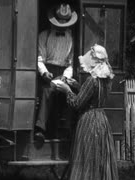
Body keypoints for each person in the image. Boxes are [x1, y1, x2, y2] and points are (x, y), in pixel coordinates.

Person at [55, 44, 118, 180]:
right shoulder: (107, 80)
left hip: (89, 121)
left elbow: (77, 103)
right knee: (99, 156)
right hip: (101, 119)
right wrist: (78, 86)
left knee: (87, 156)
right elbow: (94, 96)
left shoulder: (91, 80)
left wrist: (67, 90)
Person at [35, 3, 79, 141]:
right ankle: (40, 129)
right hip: (47, 72)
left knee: (71, 93)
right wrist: (44, 73)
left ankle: (66, 130)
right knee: (47, 91)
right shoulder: (44, 35)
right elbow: (39, 59)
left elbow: (71, 63)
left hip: (63, 72)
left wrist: (66, 77)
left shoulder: (71, 38)